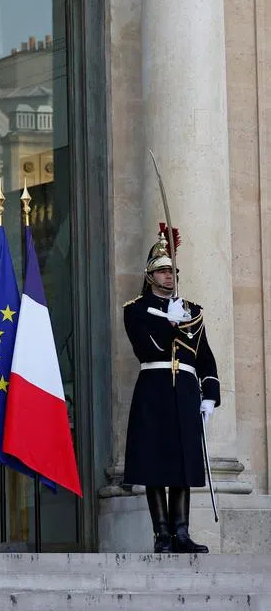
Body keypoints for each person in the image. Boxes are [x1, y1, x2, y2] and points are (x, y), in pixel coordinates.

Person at [122, 226, 218, 554]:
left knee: (182, 463)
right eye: (162, 271)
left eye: (172, 271)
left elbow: (204, 357)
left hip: (185, 392)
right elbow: (146, 345)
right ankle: (161, 534)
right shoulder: (136, 309)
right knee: (154, 463)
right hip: (155, 389)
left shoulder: (192, 311)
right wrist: (169, 321)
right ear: (150, 276)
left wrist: (210, 396)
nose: (169, 276)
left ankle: (182, 532)